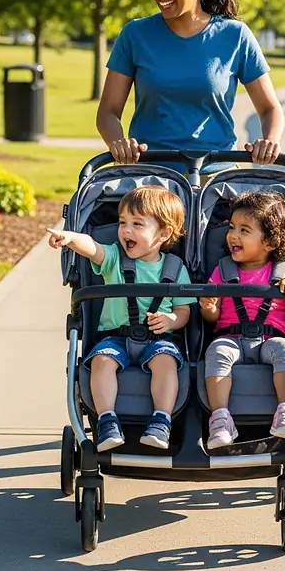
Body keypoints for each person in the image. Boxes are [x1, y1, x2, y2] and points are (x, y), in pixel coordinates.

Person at [96, 0, 285, 173]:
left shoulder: (235, 35)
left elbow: (270, 109)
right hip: (151, 176)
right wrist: (118, 143)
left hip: (215, 176)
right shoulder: (135, 34)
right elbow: (108, 112)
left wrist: (270, 140)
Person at [47, 185, 195, 452]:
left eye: (137, 224)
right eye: (122, 222)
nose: (126, 230)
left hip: (159, 338)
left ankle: (161, 420)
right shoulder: (114, 257)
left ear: (164, 233)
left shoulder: (175, 268)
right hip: (116, 337)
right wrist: (70, 238)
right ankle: (106, 420)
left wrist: (171, 320)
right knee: (102, 360)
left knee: (166, 361)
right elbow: (92, 247)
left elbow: (184, 311)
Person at [198, 191, 285, 450]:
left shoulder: (283, 271)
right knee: (217, 351)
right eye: (232, 227)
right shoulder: (222, 270)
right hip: (231, 336)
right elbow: (211, 318)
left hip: (271, 338)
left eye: (244, 230)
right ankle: (221, 418)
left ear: (269, 242)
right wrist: (209, 307)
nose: (233, 235)